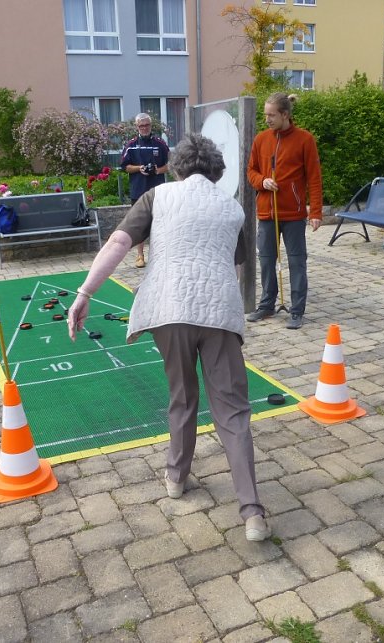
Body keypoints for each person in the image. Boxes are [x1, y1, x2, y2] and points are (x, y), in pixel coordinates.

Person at [68, 134, 271, 542]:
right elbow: (235, 270)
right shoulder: (231, 208)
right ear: (215, 171)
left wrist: (85, 292)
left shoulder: (157, 198)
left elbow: (120, 242)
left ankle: (176, 478)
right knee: (232, 410)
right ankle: (252, 513)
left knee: (182, 396)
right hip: (218, 313)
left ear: (177, 166)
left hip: (168, 308)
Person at [246, 92, 323, 330]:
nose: (267, 119)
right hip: (267, 214)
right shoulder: (261, 139)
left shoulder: (305, 139)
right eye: (265, 114)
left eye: (271, 115)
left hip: (294, 214)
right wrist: (262, 181)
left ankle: (297, 310)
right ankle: (267, 304)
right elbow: (251, 171)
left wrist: (316, 212)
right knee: (267, 261)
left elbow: (314, 178)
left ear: (285, 115)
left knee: (297, 262)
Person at [119, 113, 170, 268]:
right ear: (137, 127)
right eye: (141, 126)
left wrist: (158, 170)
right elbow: (125, 166)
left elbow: (171, 164)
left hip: (157, 190)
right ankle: (140, 256)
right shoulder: (131, 145)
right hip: (138, 190)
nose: (144, 128)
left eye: (147, 125)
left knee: (159, 223)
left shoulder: (160, 144)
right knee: (139, 224)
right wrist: (138, 168)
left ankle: (158, 255)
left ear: (151, 125)